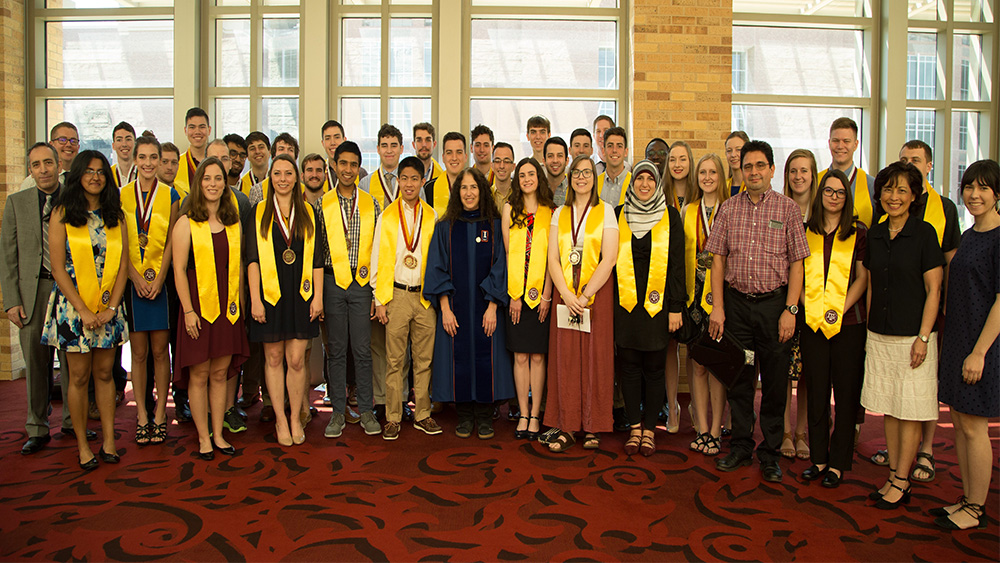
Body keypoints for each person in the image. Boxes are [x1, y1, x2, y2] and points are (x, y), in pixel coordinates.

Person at [706, 140, 810, 483]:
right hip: (736, 307)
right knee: (740, 380)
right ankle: (740, 446)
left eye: (759, 166)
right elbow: (717, 261)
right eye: (747, 166)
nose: (753, 172)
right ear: (741, 169)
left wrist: (791, 309)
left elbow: (797, 264)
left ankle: (770, 453)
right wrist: (717, 308)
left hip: (774, 307)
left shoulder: (788, 210)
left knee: (776, 382)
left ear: (771, 169)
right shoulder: (727, 209)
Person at [860, 161, 944, 509]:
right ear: (879, 193)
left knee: (910, 409)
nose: (894, 197)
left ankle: (902, 480)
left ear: (914, 196)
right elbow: (869, 284)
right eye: (888, 189)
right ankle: (894, 473)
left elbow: (934, 289)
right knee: (890, 409)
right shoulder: (875, 234)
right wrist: (865, 329)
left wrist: (924, 337)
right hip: (880, 334)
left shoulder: (924, 234)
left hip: (914, 338)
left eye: (902, 190)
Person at [41, 150, 129, 470]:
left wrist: (112, 307)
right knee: (78, 377)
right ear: (78, 174)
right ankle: (82, 444)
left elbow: (122, 266)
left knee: (105, 374)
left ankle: (108, 440)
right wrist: (82, 311)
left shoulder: (115, 215)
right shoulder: (63, 213)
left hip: (107, 307)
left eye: (101, 171)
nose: (95, 176)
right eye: (89, 171)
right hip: (74, 309)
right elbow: (58, 269)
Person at [881, 139, 963, 482]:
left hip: (928, 314)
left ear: (928, 166)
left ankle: (926, 450)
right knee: (893, 392)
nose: (910, 165)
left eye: (915, 161)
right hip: (889, 322)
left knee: (920, 391)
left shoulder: (941, 211)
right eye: (904, 160)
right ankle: (899, 457)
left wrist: (932, 325)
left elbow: (950, 264)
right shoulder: (883, 225)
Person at [2, 142, 84, 455]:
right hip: (31, 293)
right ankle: (36, 427)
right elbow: (8, 255)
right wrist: (11, 300)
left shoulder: (74, 199)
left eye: (48, 163)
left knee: (71, 359)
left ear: (58, 165)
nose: (43, 170)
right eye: (36, 165)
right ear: (30, 170)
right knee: (36, 362)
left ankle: (70, 422)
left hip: (67, 290)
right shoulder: (17, 203)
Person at [933, 159, 999, 530]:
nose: (974, 195)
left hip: (981, 344)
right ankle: (967, 498)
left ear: (997, 194)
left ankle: (976, 507)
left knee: (975, 426)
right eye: (969, 187)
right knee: (959, 421)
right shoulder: (972, 233)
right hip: (958, 338)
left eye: (983, 188)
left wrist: (979, 352)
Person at [425, 168, 512, 439]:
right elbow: (437, 267)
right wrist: (446, 308)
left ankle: (485, 416)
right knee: (457, 357)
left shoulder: (495, 226)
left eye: (474, 187)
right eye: (464, 188)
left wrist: (493, 306)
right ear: (456, 192)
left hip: (487, 308)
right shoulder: (445, 227)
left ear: (482, 191)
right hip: (455, 308)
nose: (469, 193)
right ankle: (464, 415)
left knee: (489, 357)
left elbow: (502, 266)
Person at [172, 156, 249, 460]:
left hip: (227, 310)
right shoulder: (186, 221)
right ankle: (203, 437)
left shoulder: (232, 222)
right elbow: (178, 270)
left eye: (218, 178)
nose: (213, 184)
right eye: (207, 179)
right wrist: (188, 311)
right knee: (199, 374)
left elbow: (239, 267)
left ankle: (218, 434)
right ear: (198, 183)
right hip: (198, 310)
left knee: (220, 374)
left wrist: (241, 307)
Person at [247, 154, 324, 447]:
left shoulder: (308, 212)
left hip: (301, 296)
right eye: (277, 173)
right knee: (274, 358)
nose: (282, 178)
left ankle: (295, 417)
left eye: (287, 173)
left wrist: (317, 297)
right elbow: (252, 260)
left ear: (296, 177)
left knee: (295, 359)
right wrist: (255, 299)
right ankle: (280, 417)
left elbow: (316, 259)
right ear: (271, 178)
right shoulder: (257, 213)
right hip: (270, 296)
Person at [798, 169, 869, 488]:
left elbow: (862, 277)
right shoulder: (804, 230)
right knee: (815, 390)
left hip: (849, 323)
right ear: (820, 193)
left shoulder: (858, 231)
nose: (834, 197)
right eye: (829, 191)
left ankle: (838, 463)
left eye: (840, 192)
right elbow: (796, 272)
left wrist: (838, 308)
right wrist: (808, 305)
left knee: (845, 392)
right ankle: (818, 458)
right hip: (812, 322)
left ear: (847, 196)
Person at [544, 155, 619, 452]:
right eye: (577, 172)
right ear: (570, 177)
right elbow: (552, 258)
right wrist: (566, 293)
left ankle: (593, 425)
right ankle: (567, 425)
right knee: (566, 360)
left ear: (594, 177)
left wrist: (585, 295)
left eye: (587, 172)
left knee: (595, 360)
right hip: (566, 297)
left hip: (595, 297)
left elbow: (609, 258)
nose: (582, 177)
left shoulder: (607, 211)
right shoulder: (559, 213)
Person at [613, 160, 685, 456]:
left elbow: (678, 264)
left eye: (650, 179)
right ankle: (633, 427)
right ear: (632, 183)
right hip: (626, 306)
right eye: (639, 178)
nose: (644, 184)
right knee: (628, 368)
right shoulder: (618, 215)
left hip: (658, 308)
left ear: (657, 184)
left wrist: (676, 307)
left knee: (655, 369)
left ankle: (649, 429)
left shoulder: (670, 216)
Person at [315, 141, 383, 438]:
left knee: (362, 350)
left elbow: (379, 252)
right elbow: (317, 253)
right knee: (336, 350)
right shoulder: (322, 204)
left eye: (354, 164)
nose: (348, 170)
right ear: (335, 165)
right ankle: (338, 412)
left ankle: (366, 410)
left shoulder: (371, 204)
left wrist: (375, 292)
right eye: (343, 163)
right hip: (332, 282)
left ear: (359, 167)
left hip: (361, 285)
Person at [370, 156, 441, 440]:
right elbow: (377, 258)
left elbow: (436, 258)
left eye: (415, 178)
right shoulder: (387, 216)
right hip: (396, 295)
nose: (409, 184)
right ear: (397, 180)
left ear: (422, 181)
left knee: (424, 360)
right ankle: (393, 416)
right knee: (394, 360)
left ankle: (423, 413)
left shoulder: (432, 215)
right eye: (404, 178)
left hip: (424, 297)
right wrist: (379, 300)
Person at [122, 136, 180, 445]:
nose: (147, 162)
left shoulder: (170, 195)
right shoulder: (121, 196)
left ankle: (160, 413)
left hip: (160, 283)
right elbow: (120, 244)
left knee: (160, 350)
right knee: (139, 352)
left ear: (159, 160)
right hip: (133, 285)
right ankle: (142, 415)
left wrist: (159, 279)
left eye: (152, 157)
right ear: (134, 159)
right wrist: (135, 277)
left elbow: (171, 240)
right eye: (141, 157)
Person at [501, 158, 555, 441]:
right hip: (517, 297)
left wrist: (546, 294)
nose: (527, 179)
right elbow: (509, 256)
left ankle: (536, 413)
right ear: (517, 179)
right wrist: (514, 296)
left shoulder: (551, 211)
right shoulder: (510, 209)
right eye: (522, 175)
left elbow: (552, 260)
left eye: (531, 174)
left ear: (539, 177)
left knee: (537, 355)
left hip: (542, 296)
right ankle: (523, 412)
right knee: (520, 355)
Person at [359, 124, 407, 420]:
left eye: (394, 145)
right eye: (384, 145)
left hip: (404, 277)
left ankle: (400, 400)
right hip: (376, 276)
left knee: (403, 346)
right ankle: (380, 399)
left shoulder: (410, 182)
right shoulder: (366, 186)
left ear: (402, 149)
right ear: (377, 149)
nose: (389, 150)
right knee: (378, 344)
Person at [683, 154, 730, 456]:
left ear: (721, 176)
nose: (708, 177)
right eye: (703, 172)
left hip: (720, 299)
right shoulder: (688, 210)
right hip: (693, 298)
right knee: (698, 365)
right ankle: (701, 427)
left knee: (717, 368)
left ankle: (716, 429)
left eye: (713, 172)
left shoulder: (731, 210)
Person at [780, 148, 818, 460]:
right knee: (782, 371)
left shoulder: (823, 214)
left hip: (819, 306)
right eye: (793, 171)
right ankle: (785, 431)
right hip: (786, 303)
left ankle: (802, 430)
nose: (798, 176)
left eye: (804, 170)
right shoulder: (779, 209)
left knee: (808, 373)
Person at [660, 140, 697, 432]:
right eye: (673, 159)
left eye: (683, 159)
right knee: (670, 347)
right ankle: (672, 404)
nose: (677, 164)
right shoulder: (660, 197)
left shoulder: (702, 196)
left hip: (699, 283)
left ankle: (697, 405)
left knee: (697, 348)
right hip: (668, 281)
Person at [818, 117, 873, 226]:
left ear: (856, 144)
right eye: (835, 141)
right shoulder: (816, 181)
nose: (840, 146)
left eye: (846, 141)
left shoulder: (871, 185)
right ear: (829, 143)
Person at [20, 122, 79, 191]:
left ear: (78, 146)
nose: (69, 144)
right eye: (62, 140)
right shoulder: (32, 182)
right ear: (51, 145)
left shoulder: (86, 178)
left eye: (73, 141)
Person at [425, 131, 467, 217]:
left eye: (459, 152)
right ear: (443, 157)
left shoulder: (477, 187)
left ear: (465, 157)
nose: (454, 158)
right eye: (449, 153)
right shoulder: (429, 188)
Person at [174, 107, 212, 197]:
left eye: (202, 127)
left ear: (209, 130)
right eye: (192, 127)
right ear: (185, 130)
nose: (197, 132)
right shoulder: (177, 163)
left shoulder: (216, 162)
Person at [321, 120, 369, 190]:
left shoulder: (361, 173)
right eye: (328, 138)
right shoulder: (319, 171)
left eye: (337, 137)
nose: (332, 143)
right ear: (323, 143)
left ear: (344, 140)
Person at [597, 127, 630, 206]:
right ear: (603, 151)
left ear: (626, 152)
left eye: (619, 146)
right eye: (610, 146)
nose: (614, 150)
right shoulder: (595, 184)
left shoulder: (634, 183)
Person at [240, 131, 270, 197]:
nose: (257, 151)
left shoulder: (277, 180)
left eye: (261, 147)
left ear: (269, 152)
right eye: (252, 149)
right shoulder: (242, 185)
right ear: (247, 156)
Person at [110, 122, 137, 188]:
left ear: (135, 144)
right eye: (119, 140)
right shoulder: (108, 174)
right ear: (113, 146)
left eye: (128, 139)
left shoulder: (144, 172)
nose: (124, 144)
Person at [544, 137, 569, 206]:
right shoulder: (537, 189)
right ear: (544, 161)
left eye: (560, 156)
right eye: (550, 156)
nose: (555, 160)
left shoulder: (575, 189)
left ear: (567, 161)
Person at [491, 142, 515, 208]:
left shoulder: (520, 194)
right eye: (497, 161)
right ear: (492, 166)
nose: (501, 166)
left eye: (506, 161)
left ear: (513, 166)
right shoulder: (486, 195)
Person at [724, 131, 749, 196]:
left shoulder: (753, 186)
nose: (733, 155)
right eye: (729, 151)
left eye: (738, 150)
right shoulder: (723, 186)